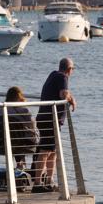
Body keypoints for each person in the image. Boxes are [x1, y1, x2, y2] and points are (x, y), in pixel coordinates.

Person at [31, 58, 77, 193]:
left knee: (52, 152)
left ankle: (49, 181)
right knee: (45, 151)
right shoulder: (63, 77)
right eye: (72, 69)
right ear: (69, 69)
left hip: (48, 119)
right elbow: (63, 94)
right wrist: (72, 100)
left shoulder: (53, 74)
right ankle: (38, 183)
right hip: (50, 120)